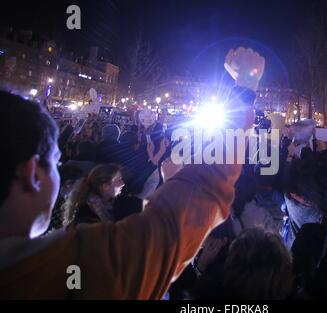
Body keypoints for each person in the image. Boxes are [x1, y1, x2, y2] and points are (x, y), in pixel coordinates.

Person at [0, 47, 262, 299]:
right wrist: (245, 89)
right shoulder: (79, 266)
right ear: (32, 173)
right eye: (55, 162)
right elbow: (183, 216)